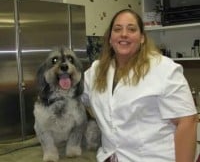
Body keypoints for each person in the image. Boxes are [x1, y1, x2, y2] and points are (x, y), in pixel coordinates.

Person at [82, 9, 198, 162]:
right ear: (110, 38)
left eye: (131, 29)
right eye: (117, 29)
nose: (124, 34)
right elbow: (78, 99)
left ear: (142, 38)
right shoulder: (96, 71)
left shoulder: (163, 68)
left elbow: (187, 121)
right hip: (110, 157)